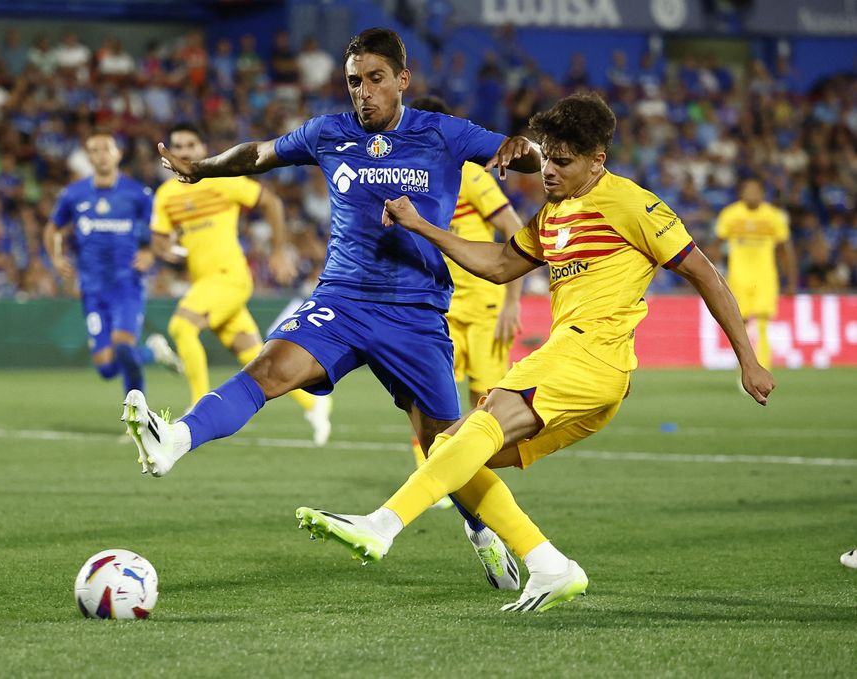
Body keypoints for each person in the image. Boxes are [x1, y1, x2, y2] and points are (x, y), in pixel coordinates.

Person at [294, 92, 775, 613]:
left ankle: (382, 525)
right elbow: (500, 264)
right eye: (546, 158)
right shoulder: (552, 215)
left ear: (597, 160)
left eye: (562, 162)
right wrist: (424, 228)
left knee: (477, 426)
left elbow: (705, 274)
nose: (548, 170)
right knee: (451, 448)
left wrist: (747, 359)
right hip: (584, 372)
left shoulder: (633, 204)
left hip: (591, 353)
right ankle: (547, 564)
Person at [120, 28, 541, 591]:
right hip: (342, 299)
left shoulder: (443, 132)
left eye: (375, 79)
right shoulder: (329, 132)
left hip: (414, 313)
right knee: (268, 370)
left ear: (402, 80)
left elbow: (528, 156)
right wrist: (205, 168)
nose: (363, 91)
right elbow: (260, 154)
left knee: (445, 446)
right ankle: (173, 441)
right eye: (353, 81)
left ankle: (483, 534)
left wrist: (522, 147)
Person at [151, 123, 332, 446]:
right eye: (178, 146)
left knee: (182, 326)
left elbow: (271, 202)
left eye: (191, 145)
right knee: (250, 351)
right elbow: (159, 240)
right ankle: (313, 404)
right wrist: (167, 250)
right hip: (205, 282)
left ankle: (196, 407)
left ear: (202, 148)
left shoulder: (221, 181)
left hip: (229, 276)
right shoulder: (166, 195)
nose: (184, 151)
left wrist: (278, 250)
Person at [408, 96, 524, 511]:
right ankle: (431, 479)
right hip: (437, 308)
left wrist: (512, 302)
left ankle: (470, 483)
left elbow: (514, 230)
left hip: (485, 308)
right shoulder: (403, 180)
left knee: (486, 404)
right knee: (424, 396)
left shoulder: (470, 175)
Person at [43, 132, 181, 403]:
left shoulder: (137, 194)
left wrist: (150, 253)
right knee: (106, 368)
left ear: (118, 154)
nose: (101, 155)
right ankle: (152, 352)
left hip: (127, 286)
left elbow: (165, 228)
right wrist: (56, 258)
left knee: (123, 347)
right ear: (88, 158)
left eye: (107, 149)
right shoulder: (74, 194)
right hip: (92, 291)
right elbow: (53, 228)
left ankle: (138, 415)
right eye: (94, 150)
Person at [715, 177, 796, 370]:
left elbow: (784, 250)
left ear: (762, 193)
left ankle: (764, 368)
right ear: (741, 193)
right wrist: (716, 275)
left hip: (765, 277)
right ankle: (746, 368)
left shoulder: (773, 216)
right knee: (739, 323)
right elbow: (716, 245)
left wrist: (791, 280)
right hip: (738, 277)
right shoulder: (730, 214)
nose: (751, 194)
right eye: (748, 190)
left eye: (755, 190)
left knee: (762, 322)